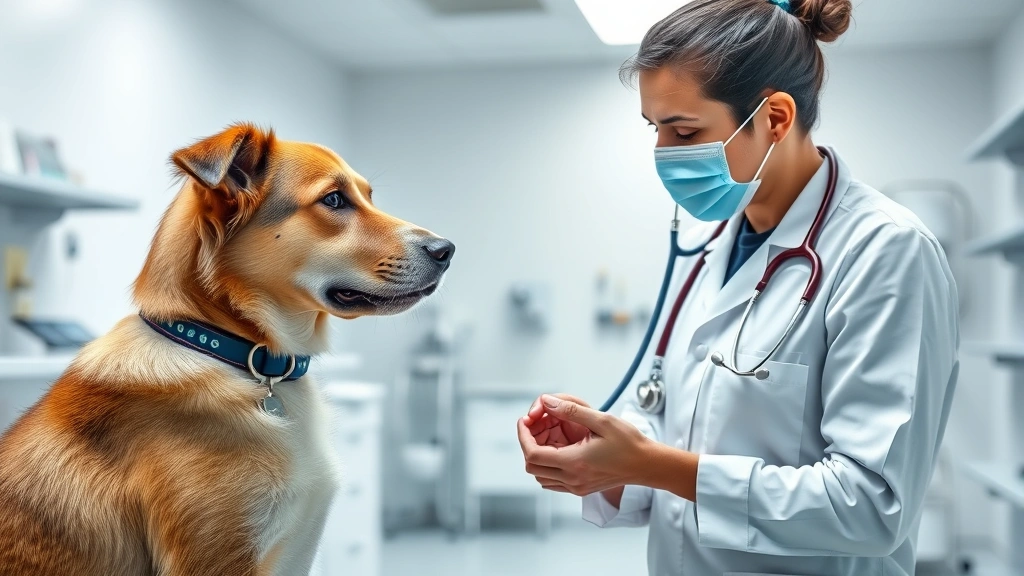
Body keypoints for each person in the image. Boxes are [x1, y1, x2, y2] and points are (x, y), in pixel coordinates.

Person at [516, 0, 960, 574]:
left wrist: (654, 464)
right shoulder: (711, 245)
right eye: (656, 130)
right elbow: (684, 421)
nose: (663, 155)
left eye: (685, 131)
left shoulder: (887, 252)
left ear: (775, 117)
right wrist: (609, 452)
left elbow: (871, 507)